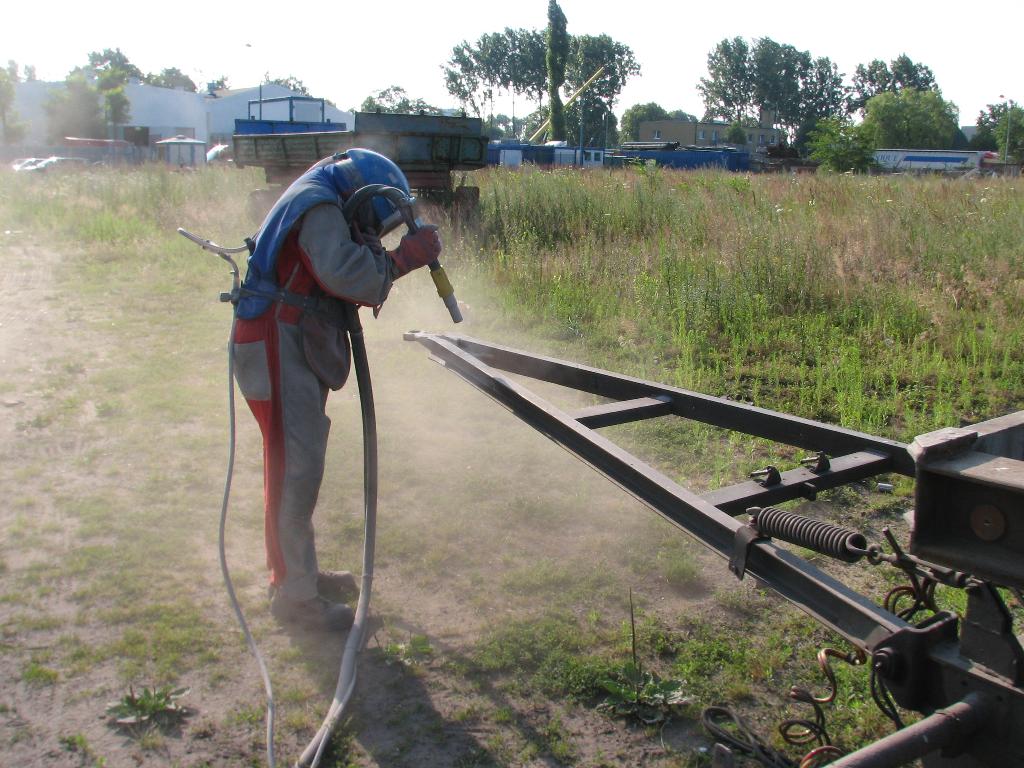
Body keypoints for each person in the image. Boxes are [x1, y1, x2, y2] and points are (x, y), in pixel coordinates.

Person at [230, 149, 441, 632]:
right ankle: (295, 596)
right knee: (294, 470)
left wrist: (380, 254)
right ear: (363, 194)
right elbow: (349, 275)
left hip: (285, 339)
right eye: (371, 223)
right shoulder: (320, 206)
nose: (370, 231)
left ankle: (297, 574)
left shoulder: (318, 196)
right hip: (274, 341)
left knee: (297, 467)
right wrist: (403, 258)